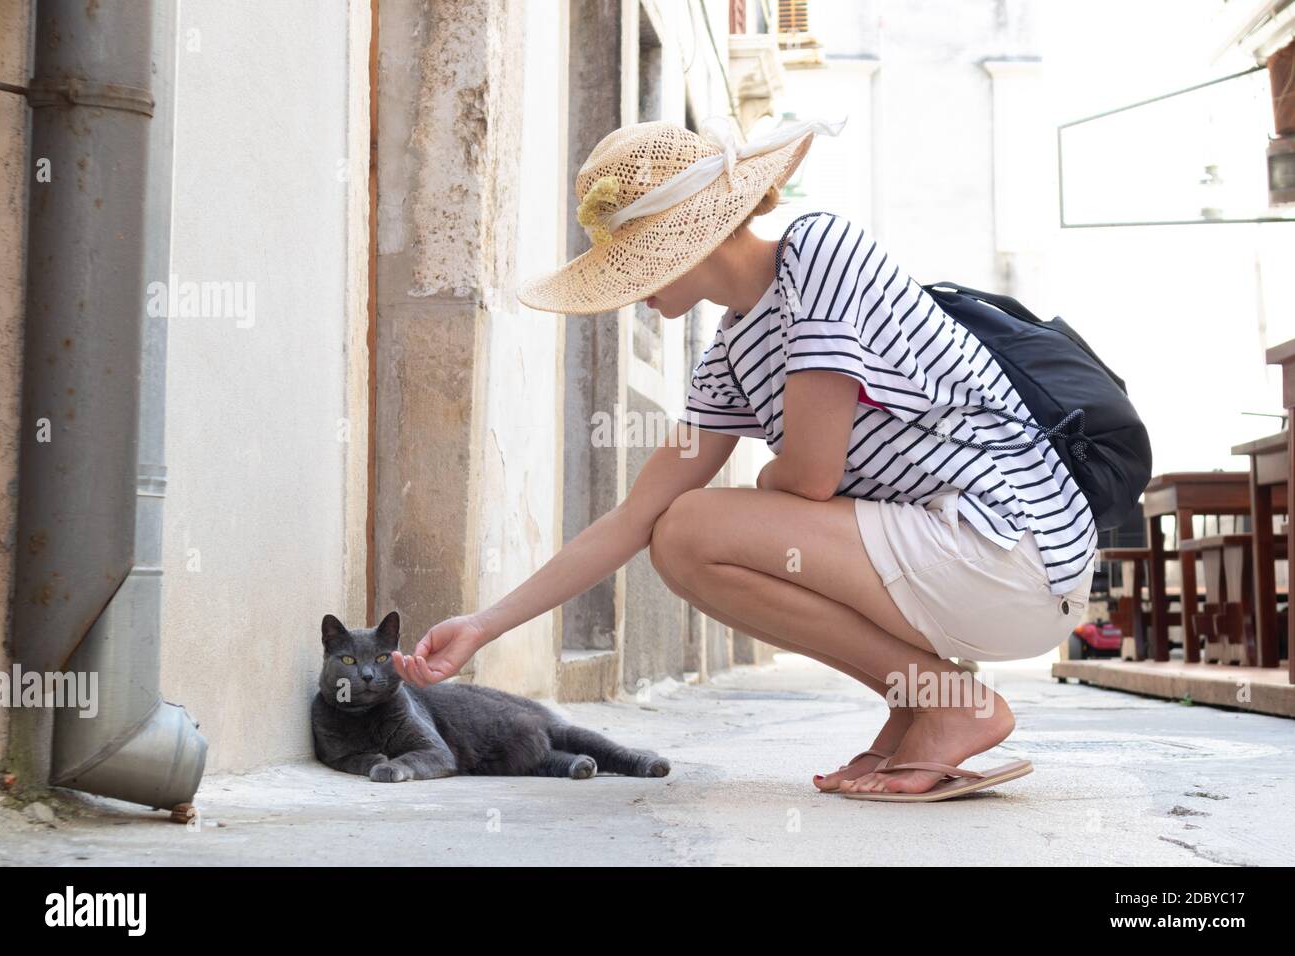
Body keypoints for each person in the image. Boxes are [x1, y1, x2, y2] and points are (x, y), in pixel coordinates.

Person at [392, 116, 1097, 802]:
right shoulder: (730, 353)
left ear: (681, 237)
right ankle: (919, 700)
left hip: (1015, 546)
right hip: (951, 561)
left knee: (694, 526)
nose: (630, 288)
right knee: (677, 537)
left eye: (631, 261)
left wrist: (772, 478)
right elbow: (634, 516)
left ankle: (952, 704)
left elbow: (812, 476)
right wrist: (485, 626)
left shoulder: (821, 252)